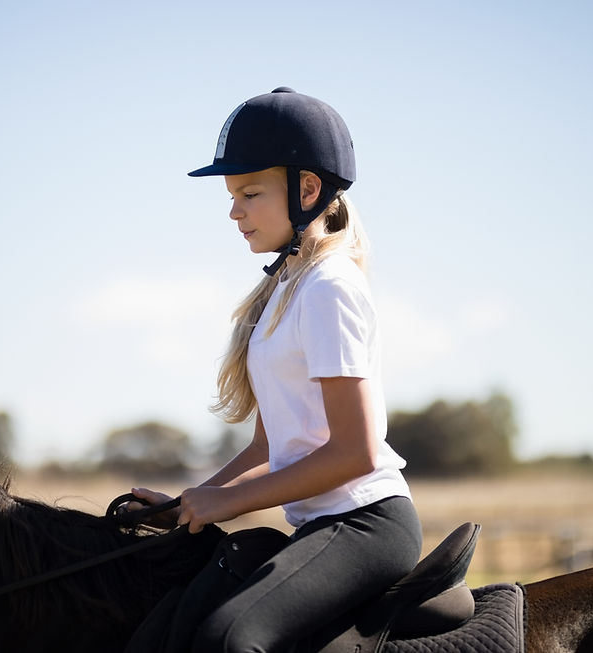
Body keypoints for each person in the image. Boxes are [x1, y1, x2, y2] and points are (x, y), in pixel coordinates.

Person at [131, 87, 421, 653]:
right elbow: (268, 446)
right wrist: (189, 500)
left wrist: (228, 504)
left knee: (231, 638)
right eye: (231, 194)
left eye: (250, 192)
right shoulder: (285, 290)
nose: (234, 210)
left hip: (366, 522)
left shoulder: (330, 287)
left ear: (308, 189)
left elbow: (355, 453)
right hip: (321, 524)